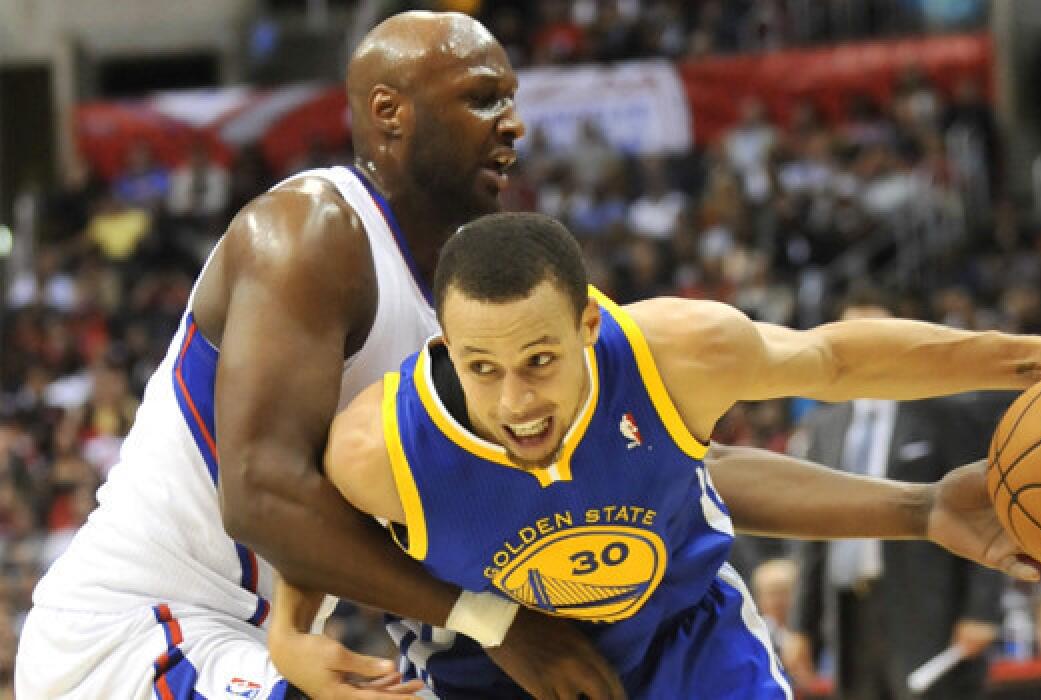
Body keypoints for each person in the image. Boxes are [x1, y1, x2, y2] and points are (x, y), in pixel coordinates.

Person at [268, 211, 1041, 699]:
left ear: (590, 323)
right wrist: (288, 631)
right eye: (483, 368)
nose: (515, 401)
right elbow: (313, 530)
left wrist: (1037, 359)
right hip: (490, 672)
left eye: (541, 361)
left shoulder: (675, 355)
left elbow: (839, 358)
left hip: (682, 637)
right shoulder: (379, 447)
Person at [14, 10, 608, 699]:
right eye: (483, 98)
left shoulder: (461, 300)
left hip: (250, 637)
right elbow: (261, 493)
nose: (514, 124)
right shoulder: (310, 232)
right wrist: (494, 623)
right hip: (135, 631)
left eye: (511, 100)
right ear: (391, 113)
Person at [789, 290, 1003, 700]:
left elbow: (982, 510)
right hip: (849, 613)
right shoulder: (823, 425)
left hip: (929, 610)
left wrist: (982, 609)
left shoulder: (944, 413)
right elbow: (811, 531)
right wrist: (802, 625)